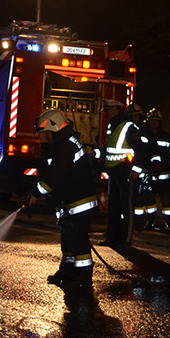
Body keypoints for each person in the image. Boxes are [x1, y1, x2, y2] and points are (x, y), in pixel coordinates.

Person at [29, 109, 100, 290]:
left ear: (54, 127)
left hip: (79, 201)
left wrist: (36, 194)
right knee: (68, 240)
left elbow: (55, 177)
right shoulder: (65, 143)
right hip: (72, 200)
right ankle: (67, 271)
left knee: (78, 241)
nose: (43, 137)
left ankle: (83, 277)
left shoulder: (65, 147)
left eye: (44, 133)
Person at [100, 100, 140, 247]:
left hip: (125, 170)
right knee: (113, 206)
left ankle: (126, 239)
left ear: (116, 110)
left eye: (108, 110)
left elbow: (140, 150)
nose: (105, 113)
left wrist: (136, 169)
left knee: (126, 205)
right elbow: (109, 147)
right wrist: (95, 153)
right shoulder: (112, 124)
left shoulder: (129, 126)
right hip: (114, 170)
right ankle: (112, 237)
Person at [142, 109, 170, 231]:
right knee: (149, 202)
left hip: (164, 175)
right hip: (148, 174)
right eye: (152, 121)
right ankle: (150, 222)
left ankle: (169, 224)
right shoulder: (144, 137)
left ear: (160, 123)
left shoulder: (167, 137)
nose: (154, 123)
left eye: (156, 121)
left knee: (167, 202)